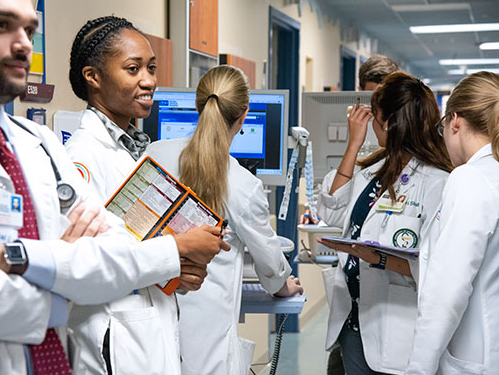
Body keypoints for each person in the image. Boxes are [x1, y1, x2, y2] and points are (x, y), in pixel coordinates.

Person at [0, 0, 228, 374]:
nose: (24, 44)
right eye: (1, 25)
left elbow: (109, 252)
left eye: (29, 29)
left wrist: (10, 257)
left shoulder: (40, 145)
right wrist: (67, 293)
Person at [64, 16, 207, 374]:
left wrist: (178, 272)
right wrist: (178, 251)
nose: (149, 81)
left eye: (151, 68)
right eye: (133, 69)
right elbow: (89, 265)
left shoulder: (131, 150)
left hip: (147, 325)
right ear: (92, 77)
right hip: (115, 334)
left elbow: (140, 242)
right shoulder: (81, 159)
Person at [145, 65, 303, 375]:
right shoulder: (243, 185)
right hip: (207, 335)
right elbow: (270, 265)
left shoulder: (154, 154)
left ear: (197, 105)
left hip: (151, 317)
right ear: (244, 115)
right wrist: (282, 284)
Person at [316, 72, 453, 374]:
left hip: (395, 328)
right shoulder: (374, 170)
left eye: (375, 117)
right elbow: (332, 211)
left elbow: (437, 268)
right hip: (353, 324)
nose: (372, 124)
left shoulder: (437, 183)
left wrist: (377, 258)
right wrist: (354, 144)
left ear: (390, 122)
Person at [406, 71, 499, 374]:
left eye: (442, 125)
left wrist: (418, 369)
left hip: (475, 360)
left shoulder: (470, 179)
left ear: (455, 121)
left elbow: (447, 291)